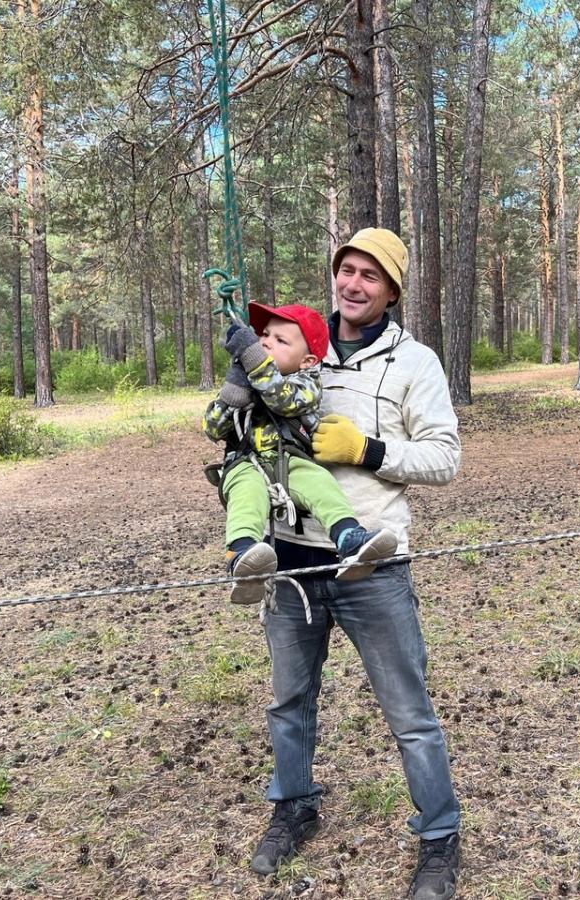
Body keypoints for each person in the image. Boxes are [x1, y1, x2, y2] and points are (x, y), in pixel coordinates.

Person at [248, 228, 462, 900]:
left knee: (409, 712)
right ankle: (294, 808)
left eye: (370, 275)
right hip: (290, 557)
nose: (354, 283)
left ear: (391, 290)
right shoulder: (296, 348)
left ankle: (439, 837)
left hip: (373, 560)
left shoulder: (415, 363)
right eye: (346, 269)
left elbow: (444, 459)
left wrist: (368, 450)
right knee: (289, 701)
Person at [202, 301, 398, 604]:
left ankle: (349, 537)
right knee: (246, 493)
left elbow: (284, 401)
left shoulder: (306, 383)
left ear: (306, 360)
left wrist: (255, 362)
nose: (265, 343)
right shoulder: (249, 378)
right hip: (245, 462)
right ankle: (241, 556)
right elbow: (212, 428)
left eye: (280, 341)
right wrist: (234, 390)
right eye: (264, 335)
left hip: (290, 461)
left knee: (320, 482)